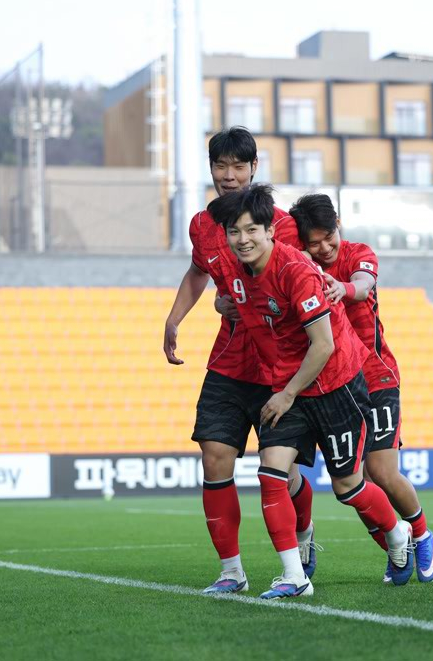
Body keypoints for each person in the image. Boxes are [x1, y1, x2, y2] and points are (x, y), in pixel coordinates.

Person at [215, 185, 415, 598]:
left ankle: (399, 533)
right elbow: (234, 303)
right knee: (271, 474)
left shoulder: (297, 271)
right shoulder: (238, 275)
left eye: (252, 229)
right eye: (234, 232)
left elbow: (323, 345)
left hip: (334, 385)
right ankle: (294, 577)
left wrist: (285, 393)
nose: (243, 239)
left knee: (348, 488)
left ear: (272, 230)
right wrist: (223, 305)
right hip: (286, 388)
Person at [162, 127, 316, 594]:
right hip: (229, 362)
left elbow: (304, 285)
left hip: (279, 366)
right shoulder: (201, 225)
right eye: (220, 166)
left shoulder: (283, 224)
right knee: (214, 458)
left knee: (283, 472)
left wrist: (247, 300)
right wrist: (174, 320)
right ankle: (231, 571)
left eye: (238, 166)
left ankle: (304, 537)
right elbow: (197, 272)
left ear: (253, 169)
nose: (228, 176)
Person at [288, 193, 433, 584]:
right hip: (337, 384)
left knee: (382, 472)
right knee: (355, 486)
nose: (322, 249)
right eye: (313, 243)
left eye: (328, 238)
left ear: (338, 225)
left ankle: (422, 535)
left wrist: (342, 288)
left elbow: (362, 282)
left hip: (376, 376)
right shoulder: (299, 267)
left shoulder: (358, 253)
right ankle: (397, 545)